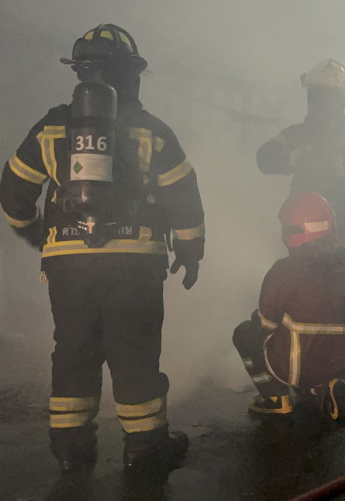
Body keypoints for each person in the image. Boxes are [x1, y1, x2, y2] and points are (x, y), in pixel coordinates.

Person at [0, 24, 204, 474]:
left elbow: (13, 190)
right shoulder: (152, 131)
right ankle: (145, 447)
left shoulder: (52, 128)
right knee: (134, 350)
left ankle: (71, 449)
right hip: (135, 263)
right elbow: (183, 198)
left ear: (81, 73)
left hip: (68, 264)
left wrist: (32, 232)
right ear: (131, 74)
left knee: (73, 350)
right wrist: (191, 252)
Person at [232, 192, 345, 423]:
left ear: (291, 231)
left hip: (295, 369)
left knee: (245, 333)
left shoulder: (283, 272)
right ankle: (327, 387)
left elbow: (266, 325)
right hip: (339, 365)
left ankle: (275, 398)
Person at [256, 59, 345, 279]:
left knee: (343, 298)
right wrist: (302, 156)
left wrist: (342, 161)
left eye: (329, 97)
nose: (322, 103)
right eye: (316, 95)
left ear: (341, 101)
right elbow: (264, 158)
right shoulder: (296, 134)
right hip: (303, 243)